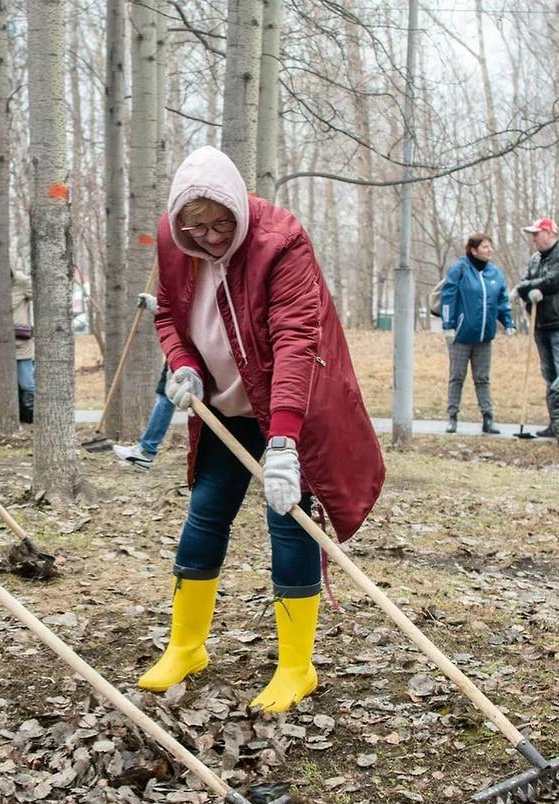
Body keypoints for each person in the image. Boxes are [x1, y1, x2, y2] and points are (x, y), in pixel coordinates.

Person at [138, 145, 384, 713]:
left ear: (239, 211)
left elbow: (299, 339)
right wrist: (184, 368)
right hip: (225, 408)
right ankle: (186, 646)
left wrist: (283, 442)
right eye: (197, 228)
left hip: (285, 404)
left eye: (221, 224)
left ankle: (297, 667)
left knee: (289, 521)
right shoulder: (175, 243)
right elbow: (169, 318)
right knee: (205, 513)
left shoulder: (280, 240)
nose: (211, 237)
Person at [439, 232, 515, 434]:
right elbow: (448, 297)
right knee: (457, 376)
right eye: (485, 247)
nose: (489, 250)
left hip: (484, 338)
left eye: (490, 247)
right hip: (460, 337)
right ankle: (452, 417)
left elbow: (501, 301)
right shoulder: (459, 269)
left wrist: (508, 322)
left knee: (482, 378)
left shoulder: (494, 274)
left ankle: (487, 418)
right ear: (473, 250)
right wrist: (448, 325)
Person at [113, 293, 176, 469]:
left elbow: (182, 310)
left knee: (165, 398)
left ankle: (146, 450)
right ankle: (146, 449)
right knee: (166, 397)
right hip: (183, 349)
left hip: (184, 351)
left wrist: (155, 305)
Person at [515, 217, 559, 446]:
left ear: (549, 233)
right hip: (540, 323)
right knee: (549, 375)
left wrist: (530, 287)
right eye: (532, 234)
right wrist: (529, 289)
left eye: (537, 233)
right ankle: (555, 423)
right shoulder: (535, 259)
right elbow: (524, 284)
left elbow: (553, 281)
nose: (533, 238)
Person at [0, 269, 35, 419]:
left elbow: (41, 298)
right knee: (5, 386)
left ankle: (33, 415)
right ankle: (11, 417)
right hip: (0, 346)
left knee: (27, 384)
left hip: (21, 344)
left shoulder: (22, 282)